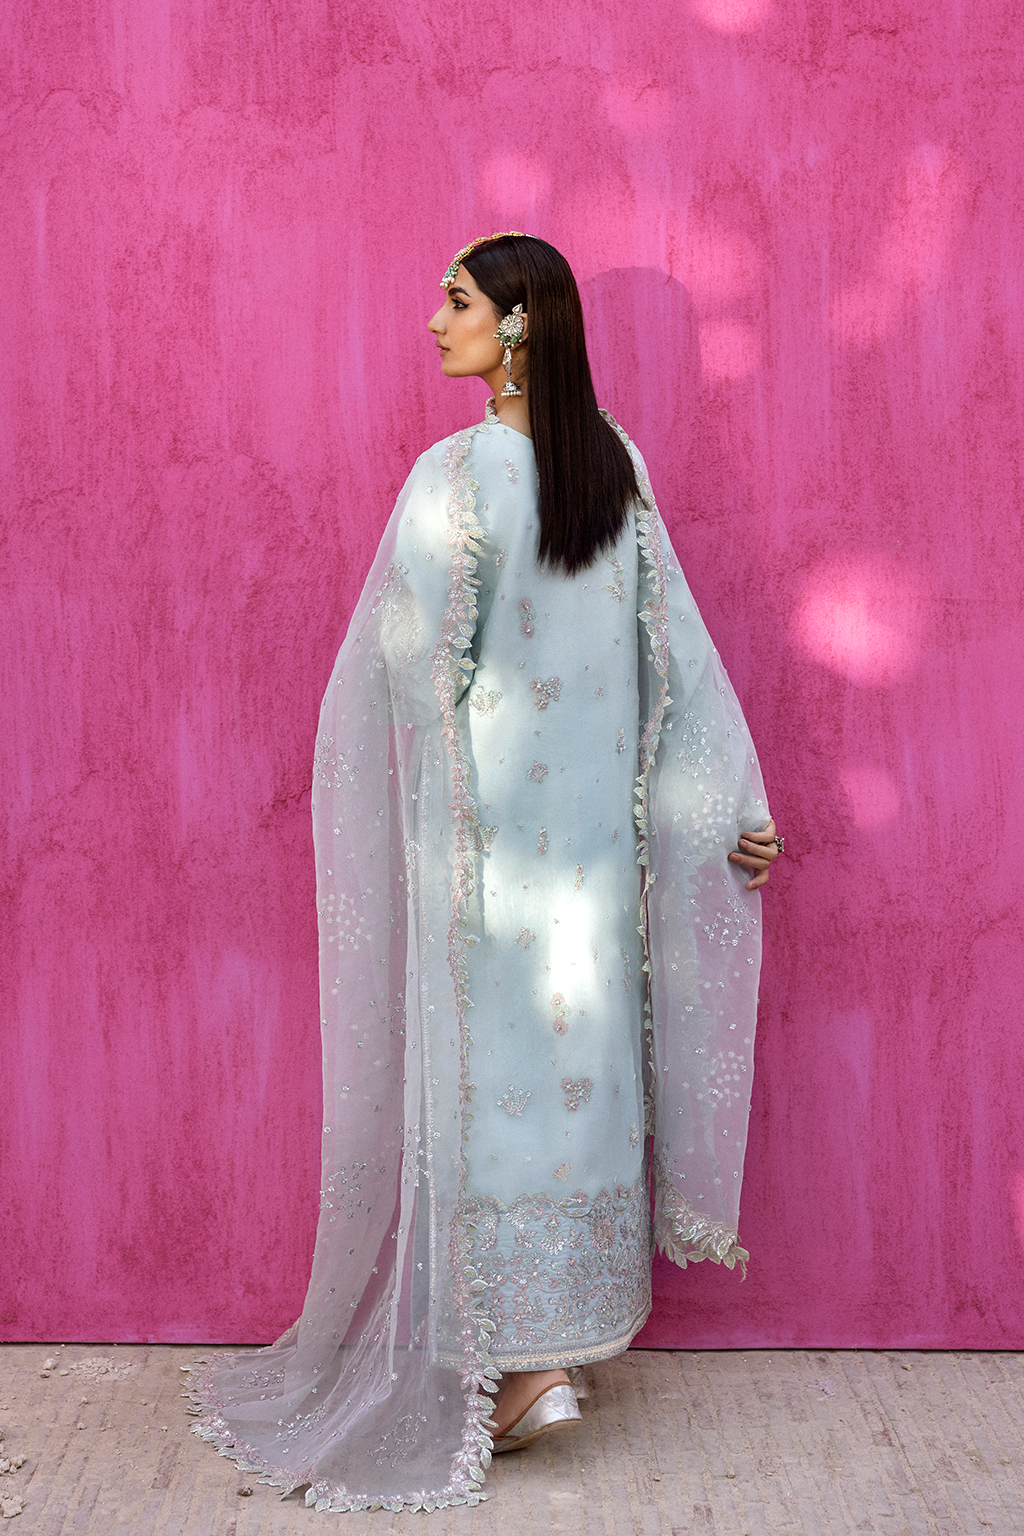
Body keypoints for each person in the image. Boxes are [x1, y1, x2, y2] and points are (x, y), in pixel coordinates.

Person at [186, 233, 780, 1513]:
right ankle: (551, 1356)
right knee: (574, 1079)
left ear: (517, 323)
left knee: (488, 1085)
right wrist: (735, 802)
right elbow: (675, 650)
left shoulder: (451, 476)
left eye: (456, 299)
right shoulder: (612, 463)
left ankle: (518, 1371)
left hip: (486, 856)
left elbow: (408, 668)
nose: (434, 319)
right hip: (592, 865)